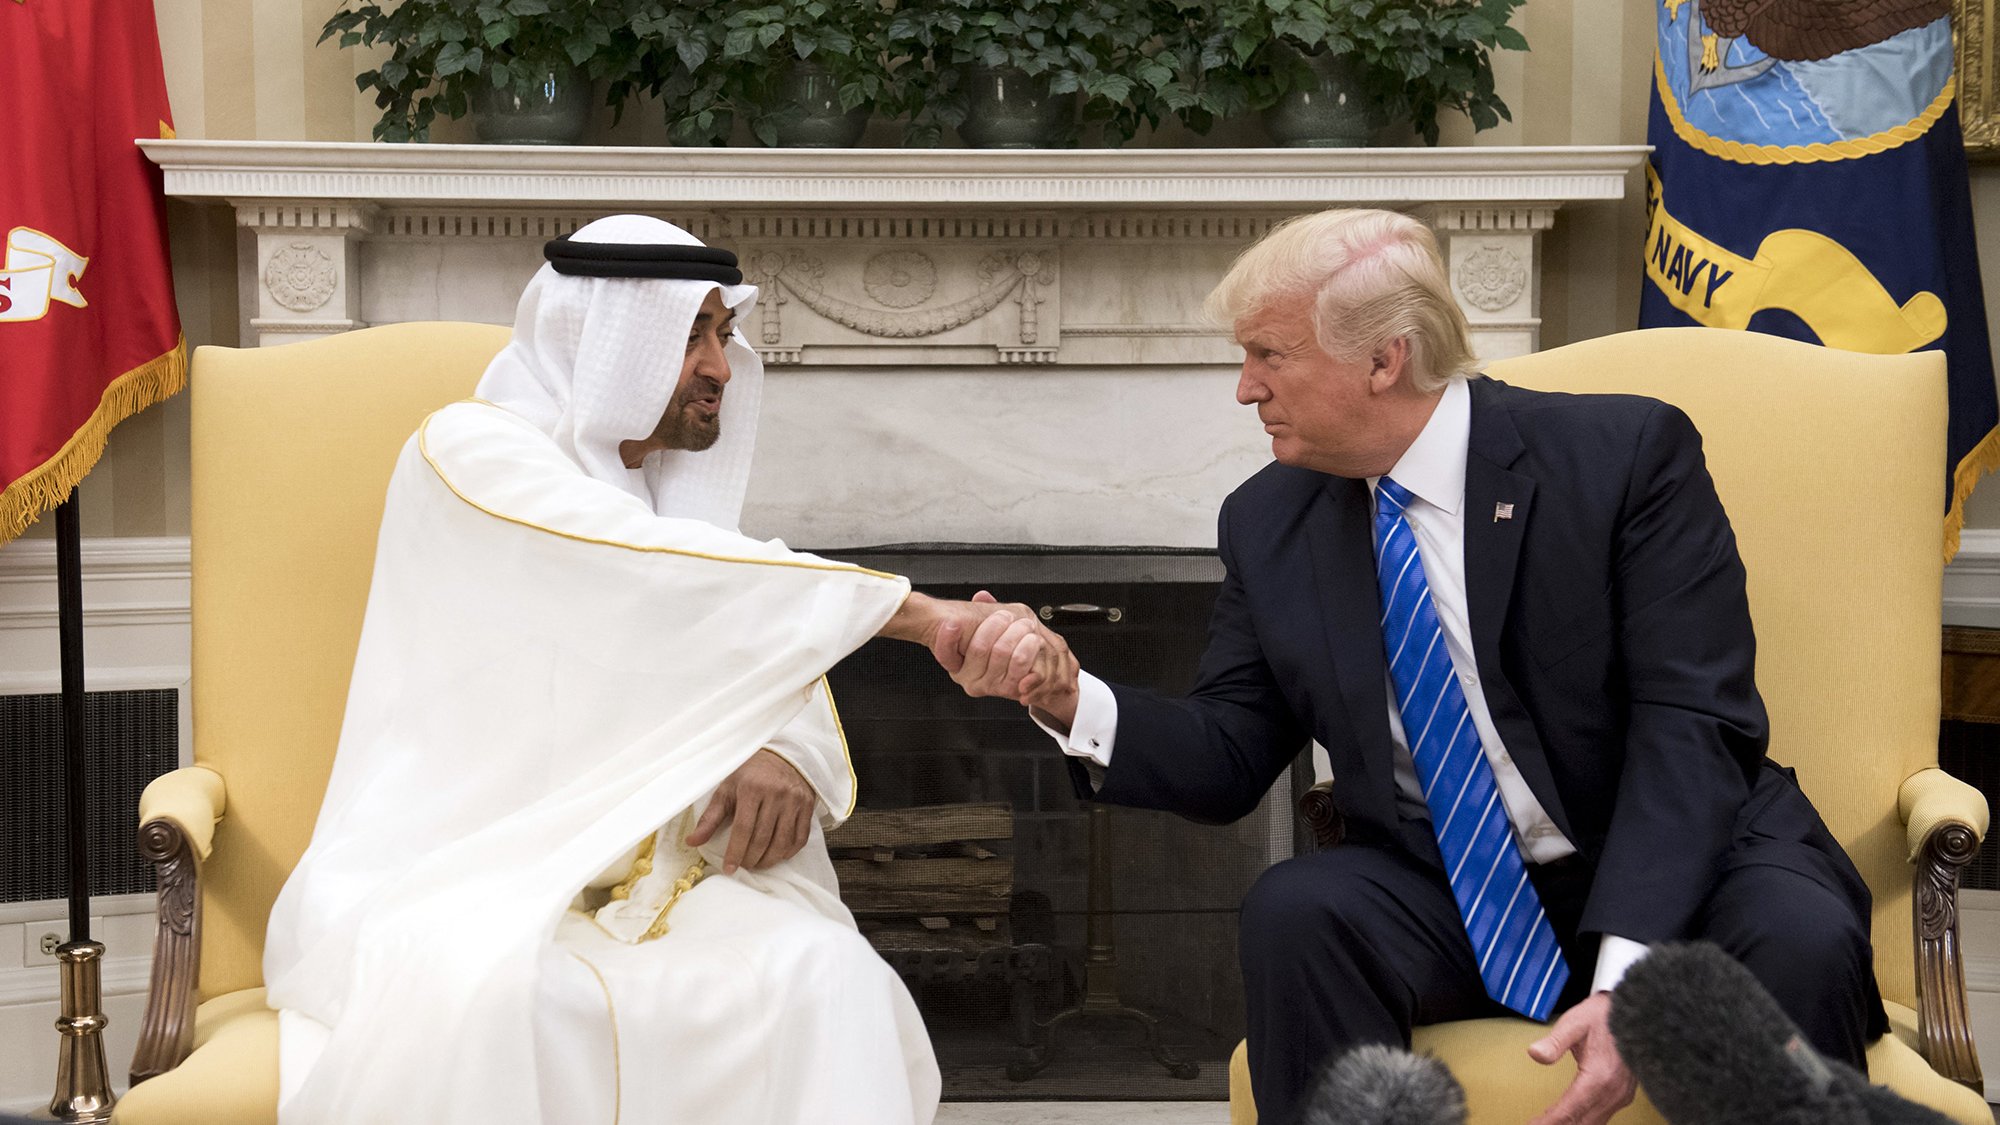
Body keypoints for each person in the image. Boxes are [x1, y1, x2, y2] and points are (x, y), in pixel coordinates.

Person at [935, 208, 1886, 1125]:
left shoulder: (1625, 457)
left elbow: (1695, 722)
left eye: (1269, 355)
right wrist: (1064, 695)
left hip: (1681, 861)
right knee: (1301, 909)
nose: (1244, 388)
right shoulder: (1270, 521)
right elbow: (1228, 751)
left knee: (1797, 935)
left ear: (1384, 359)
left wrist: (1630, 977)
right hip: (1456, 891)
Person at [261, 215, 1042, 1125]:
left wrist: (781, 747)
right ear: (604, 341)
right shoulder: (470, 453)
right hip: (476, 875)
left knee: (828, 977)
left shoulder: (666, 507)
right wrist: (923, 615)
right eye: (689, 336)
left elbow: (730, 617)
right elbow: (656, 575)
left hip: (652, 881)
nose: (719, 364)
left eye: (722, 334)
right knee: (496, 1005)